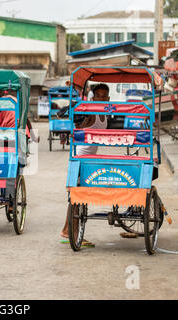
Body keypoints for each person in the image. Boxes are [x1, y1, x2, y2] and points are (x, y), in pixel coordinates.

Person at [60, 83, 110, 246]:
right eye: (99, 96)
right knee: (78, 196)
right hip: (80, 157)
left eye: (105, 96)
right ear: (93, 97)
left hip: (90, 158)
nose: (102, 99)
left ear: (108, 98)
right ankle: (71, 232)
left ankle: (68, 230)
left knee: (78, 196)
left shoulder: (105, 114)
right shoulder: (91, 112)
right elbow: (80, 123)